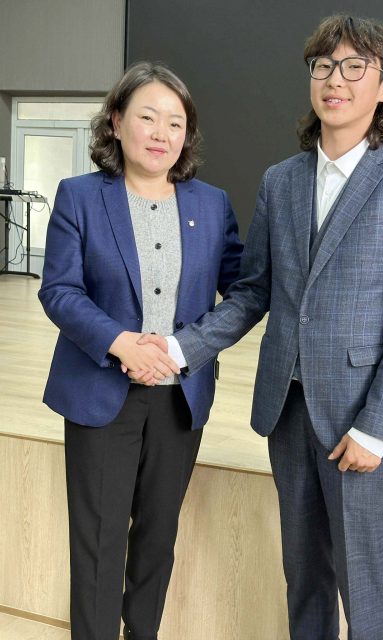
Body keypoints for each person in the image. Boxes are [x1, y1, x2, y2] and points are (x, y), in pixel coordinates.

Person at [135, 14, 383, 639]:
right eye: (323, 66)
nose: (335, 79)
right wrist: (178, 348)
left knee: (365, 590)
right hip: (289, 412)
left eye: (354, 67)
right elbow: (254, 292)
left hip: (361, 422)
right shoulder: (281, 181)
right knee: (304, 579)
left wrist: (377, 428)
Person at [38, 61, 243, 640]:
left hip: (180, 399)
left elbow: (245, 292)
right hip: (101, 393)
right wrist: (120, 341)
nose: (161, 133)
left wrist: (184, 347)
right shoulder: (80, 196)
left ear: (187, 134)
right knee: (98, 545)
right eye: (147, 117)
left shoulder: (213, 203)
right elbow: (59, 290)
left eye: (175, 122)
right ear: (116, 122)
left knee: (157, 539)